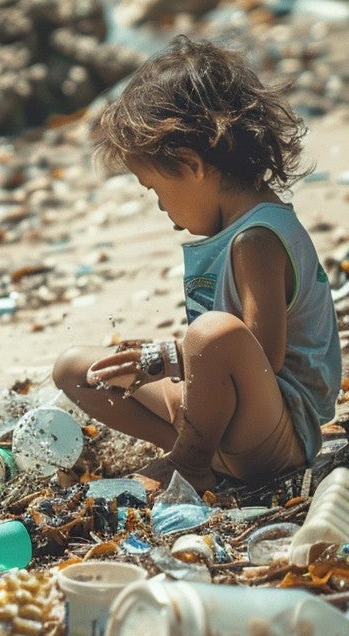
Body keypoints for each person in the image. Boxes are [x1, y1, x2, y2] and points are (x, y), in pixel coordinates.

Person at [52, 35, 340, 493]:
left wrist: (168, 356)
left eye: (155, 190)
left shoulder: (258, 239)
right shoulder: (234, 232)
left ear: (190, 164)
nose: (162, 207)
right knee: (76, 368)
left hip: (276, 433)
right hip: (225, 417)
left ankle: (191, 461)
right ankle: (199, 450)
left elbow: (261, 355)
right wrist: (163, 361)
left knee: (211, 333)